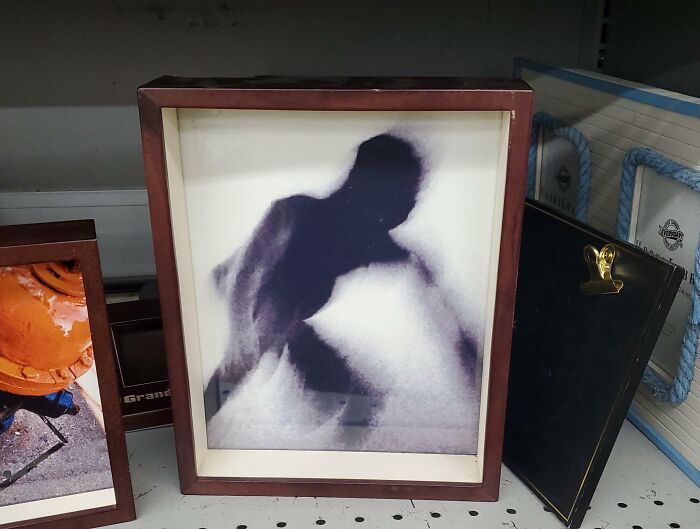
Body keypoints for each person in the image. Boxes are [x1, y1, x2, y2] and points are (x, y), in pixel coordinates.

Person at [206, 133, 477, 449]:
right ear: (368, 186)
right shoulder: (298, 211)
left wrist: (470, 357)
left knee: (363, 397)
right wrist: (240, 336)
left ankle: (338, 460)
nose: (412, 206)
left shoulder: (375, 239)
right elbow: (245, 273)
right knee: (271, 322)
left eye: (414, 195)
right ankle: (197, 421)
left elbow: (440, 306)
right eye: (407, 194)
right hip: (247, 290)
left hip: (283, 307)